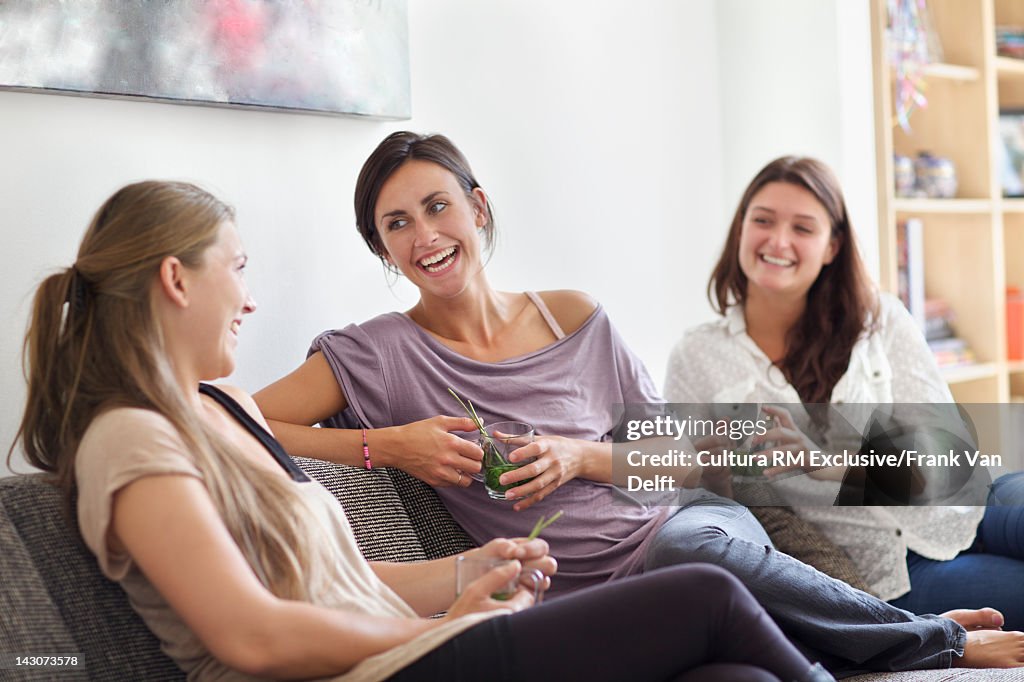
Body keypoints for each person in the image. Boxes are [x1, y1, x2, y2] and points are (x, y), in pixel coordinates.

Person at [255, 132, 1024, 675]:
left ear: (477, 208)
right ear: (381, 248)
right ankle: (892, 639)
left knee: (691, 549)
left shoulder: (573, 316)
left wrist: (579, 456)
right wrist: (387, 447)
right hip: (586, 588)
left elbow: (678, 462)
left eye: (437, 206)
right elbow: (234, 419)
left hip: (687, 523)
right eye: (397, 224)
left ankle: (933, 643)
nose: (424, 235)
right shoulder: (378, 352)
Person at [10, 179, 835, 682]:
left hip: (414, 650)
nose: (250, 301)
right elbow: (252, 636)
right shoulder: (127, 438)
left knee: (732, 674)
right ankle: (935, 644)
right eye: (240, 269)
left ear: (478, 210)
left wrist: (465, 572)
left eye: (438, 207)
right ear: (173, 279)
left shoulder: (217, 411)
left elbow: (328, 574)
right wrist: (442, 625)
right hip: (379, 671)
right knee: (707, 593)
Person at [664, 155, 1024, 630]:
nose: (778, 241)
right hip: (893, 573)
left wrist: (829, 462)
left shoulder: (881, 319)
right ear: (740, 230)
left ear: (832, 245)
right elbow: (694, 497)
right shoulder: (697, 356)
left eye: (803, 227)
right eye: (763, 220)